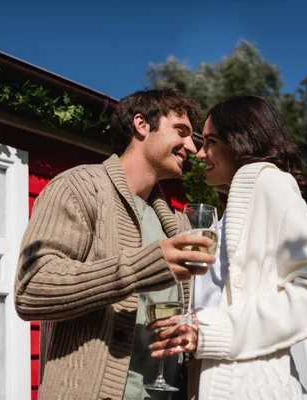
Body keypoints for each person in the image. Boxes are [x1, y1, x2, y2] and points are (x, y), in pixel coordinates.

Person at [147, 95, 307, 399]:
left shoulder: (267, 183)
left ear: (239, 142)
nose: (200, 154)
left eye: (210, 142)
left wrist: (210, 331)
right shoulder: (231, 213)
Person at [14, 88, 217, 400]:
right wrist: (140, 269)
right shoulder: (78, 188)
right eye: (182, 131)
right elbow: (31, 289)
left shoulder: (179, 224)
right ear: (141, 124)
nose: (191, 147)